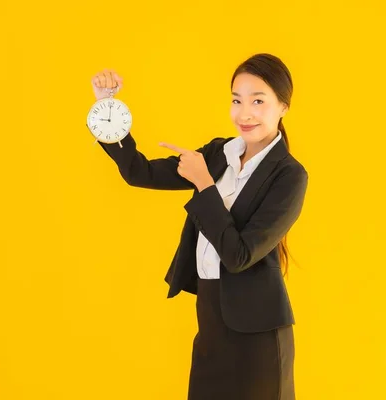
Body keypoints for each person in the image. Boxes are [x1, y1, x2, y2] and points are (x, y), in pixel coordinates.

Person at [91, 53, 308, 400]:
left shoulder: (290, 176)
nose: (245, 112)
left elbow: (238, 256)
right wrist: (108, 112)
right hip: (210, 323)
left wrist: (205, 185)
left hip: (259, 338)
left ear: (283, 106)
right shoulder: (218, 153)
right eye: (236, 100)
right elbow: (139, 172)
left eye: (258, 100)